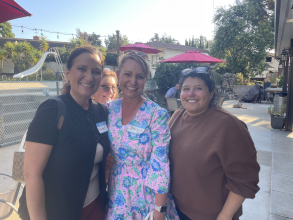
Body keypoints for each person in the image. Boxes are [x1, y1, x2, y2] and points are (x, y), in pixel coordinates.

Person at [18, 46, 110, 220]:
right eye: (82, 69)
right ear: (67, 73)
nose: (89, 77)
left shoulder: (102, 112)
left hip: (94, 206)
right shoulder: (52, 110)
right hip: (56, 211)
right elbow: (31, 174)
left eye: (96, 72)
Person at [169, 70, 260, 220]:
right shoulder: (177, 116)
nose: (191, 93)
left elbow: (245, 180)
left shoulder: (228, 126)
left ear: (211, 93)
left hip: (211, 216)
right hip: (176, 210)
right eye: (186, 89)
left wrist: (224, 216)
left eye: (198, 88)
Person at [105, 51, 179, 220]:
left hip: (147, 195)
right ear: (118, 76)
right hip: (117, 193)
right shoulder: (108, 109)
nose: (133, 81)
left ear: (146, 79)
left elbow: (160, 162)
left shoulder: (156, 114)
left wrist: (159, 210)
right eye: (127, 74)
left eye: (139, 76)